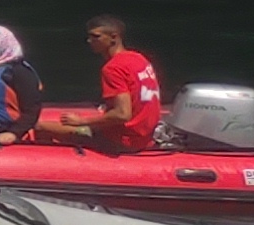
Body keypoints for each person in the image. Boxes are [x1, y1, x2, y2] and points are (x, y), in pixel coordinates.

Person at [45, 16, 167, 154]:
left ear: (113, 37)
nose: (89, 41)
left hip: (122, 140)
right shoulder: (139, 58)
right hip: (144, 137)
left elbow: (122, 115)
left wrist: (82, 121)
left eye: (96, 36)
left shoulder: (112, 68)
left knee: (40, 126)